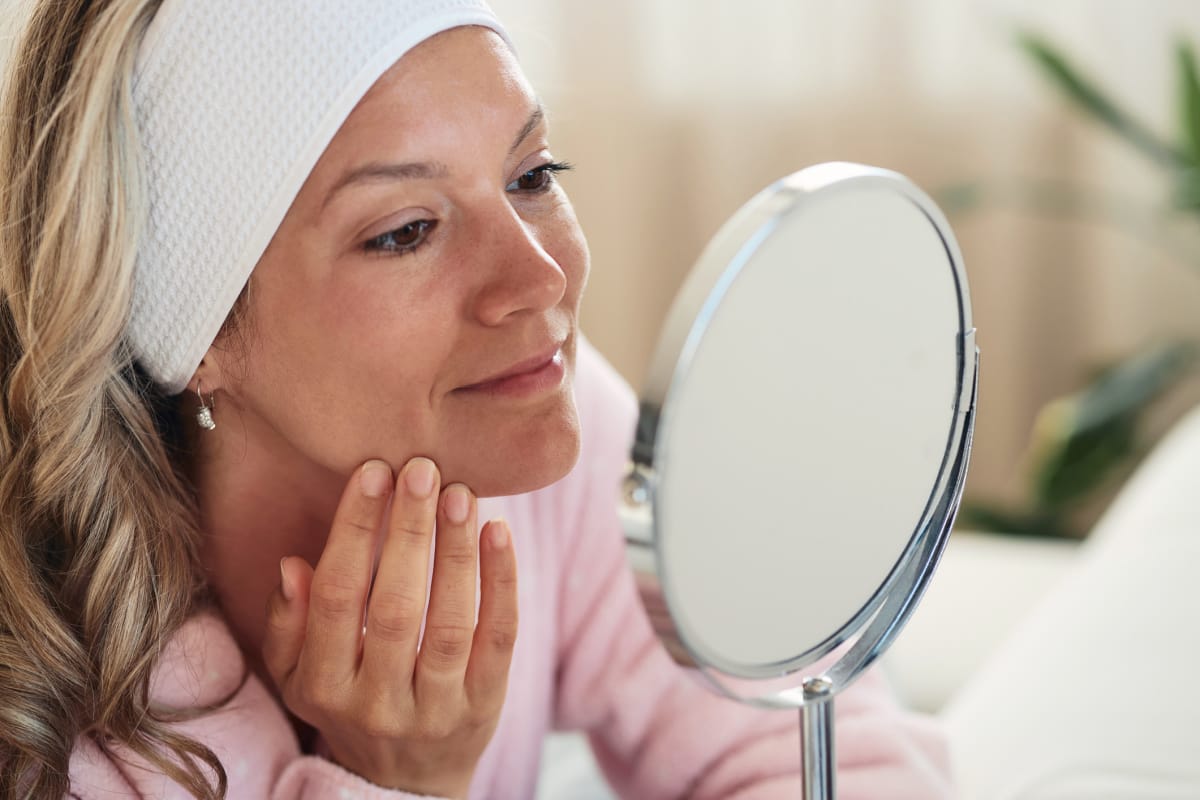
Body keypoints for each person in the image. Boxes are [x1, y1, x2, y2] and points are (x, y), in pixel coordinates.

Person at [0, 1, 955, 797]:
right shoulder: (60, 735)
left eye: (533, 176)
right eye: (406, 231)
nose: (540, 279)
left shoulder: (518, 417)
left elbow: (829, 758)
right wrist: (403, 781)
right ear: (199, 334)